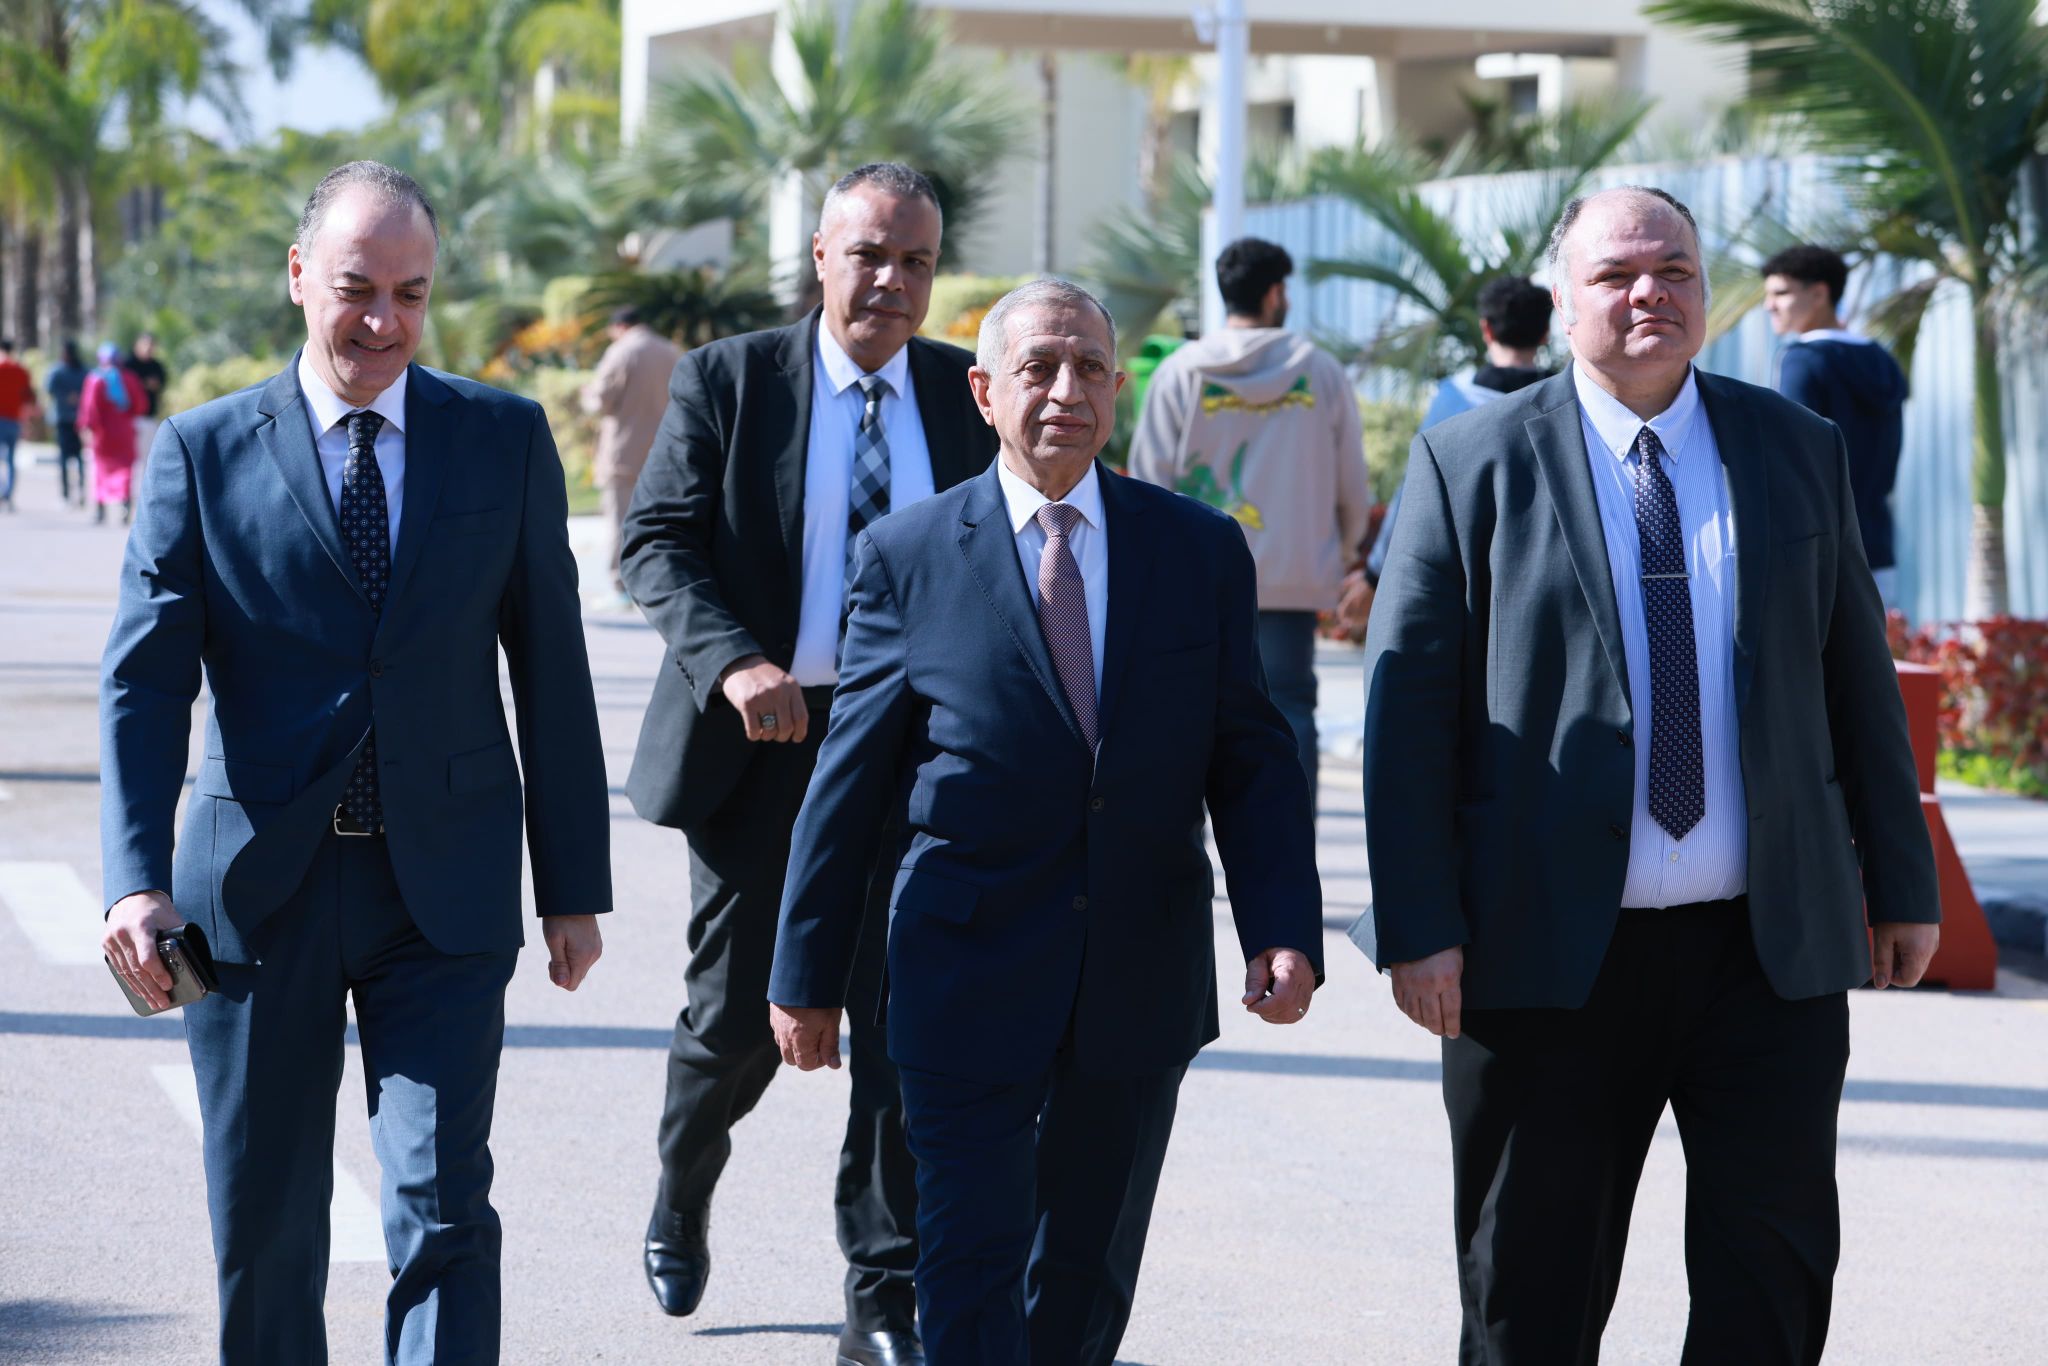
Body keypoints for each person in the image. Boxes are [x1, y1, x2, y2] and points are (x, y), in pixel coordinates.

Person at [1357, 186, 1940, 1365]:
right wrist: (1418, 924)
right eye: (1615, 273)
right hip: (1544, 953)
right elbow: (1405, 710)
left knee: (1768, 1286)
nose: (1647, 294)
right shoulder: (1470, 459)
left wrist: (1899, 881)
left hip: (1762, 951)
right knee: (1529, 1293)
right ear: (1563, 295)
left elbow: (1853, 678)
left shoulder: (1793, 446)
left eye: (1673, 271)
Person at [98, 160, 612, 1365]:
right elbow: (146, 683)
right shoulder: (201, 451)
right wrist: (133, 880)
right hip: (253, 897)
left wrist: (571, 885)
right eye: (356, 289)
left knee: (443, 1204)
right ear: (297, 276)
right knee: (266, 1220)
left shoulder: (502, 439)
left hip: (443, 891)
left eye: (411, 294)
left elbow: (551, 667)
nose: (384, 321)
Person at [768, 279, 1324, 1366]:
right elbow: (850, 780)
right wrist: (807, 973)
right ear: (984, 392)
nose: (1067, 390)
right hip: (963, 963)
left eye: (1089, 370)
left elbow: (1249, 755)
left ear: (1118, 390)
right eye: (1039, 368)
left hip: (1137, 968)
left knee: (1083, 1274)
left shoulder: (1197, 549)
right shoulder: (909, 554)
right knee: (968, 1259)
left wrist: (1281, 928)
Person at [620, 161, 997, 1366]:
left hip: (920, 760)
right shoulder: (731, 381)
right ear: (822, 256)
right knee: (739, 1016)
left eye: (915, 261)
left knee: (900, 1025)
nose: (890, 280)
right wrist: (735, 663)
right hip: (764, 750)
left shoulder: (965, 394)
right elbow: (654, 542)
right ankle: (683, 1183)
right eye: (869, 254)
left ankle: (880, 1293)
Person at [1129, 236, 1371, 796]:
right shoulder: (1321, 371)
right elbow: (1351, 480)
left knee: (1192, 712)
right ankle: (1289, 840)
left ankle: (1188, 842)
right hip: (1290, 578)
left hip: (1195, 578)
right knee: (1289, 710)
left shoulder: (1181, 373)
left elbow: (1147, 479)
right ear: (1275, 293)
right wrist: (1345, 550)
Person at [1360, 274, 1555, 592]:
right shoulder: (1571, 401)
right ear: (1546, 332)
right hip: (1550, 573)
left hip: (1466, 577)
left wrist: (1375, 573)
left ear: (1486, 329)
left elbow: (1415, 490)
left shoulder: (1454, 399)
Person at [1763, 244, 1910, 609]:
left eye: (1780, 293)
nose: (1769, 305)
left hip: (1816, 552)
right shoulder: (1881, 359)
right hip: (1876, 544)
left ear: (1819, 294)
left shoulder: (1801, 360)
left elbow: (1793, 462)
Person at [581, 305, 681, 607]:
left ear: (619, 327)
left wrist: (586, 395)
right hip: (664, 452)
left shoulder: (621, 351)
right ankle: (661, 586)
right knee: (663, 522)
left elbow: (601, 401)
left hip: (623, 453)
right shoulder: (670, 350)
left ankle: (620, 589)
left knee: (620, 523)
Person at [80, 343, 139, 524]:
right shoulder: (129, 378)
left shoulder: (95, 379)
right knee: (125, 470)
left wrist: (86, 428)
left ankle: (100, 509)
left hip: (102, 435)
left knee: (100, 471)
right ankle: (125, 506)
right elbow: (140, 405)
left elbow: (90, 408)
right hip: (124, 433)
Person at [46, 340, 89, 506]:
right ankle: (71, 493)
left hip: (72, 419)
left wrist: (71, 397)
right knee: (71, 458)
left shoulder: (61, 370)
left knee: (72, 458)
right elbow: (50, 389)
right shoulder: (73, 370)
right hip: (66, 419)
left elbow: (49, 389)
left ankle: (73, 493)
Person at [128, 331, 169, 481]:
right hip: (128, 418)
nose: (148, 348)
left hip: (148, 417)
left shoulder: (156, 366)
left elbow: (161, 384)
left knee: (148, 458)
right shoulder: (128, 365)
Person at [0, 338, 34, 512]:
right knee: (11, 459)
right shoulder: (21, 370)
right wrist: (26, 422)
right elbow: (28, 397)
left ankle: (2, 490)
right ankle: (8, 494)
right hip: (14, 419)